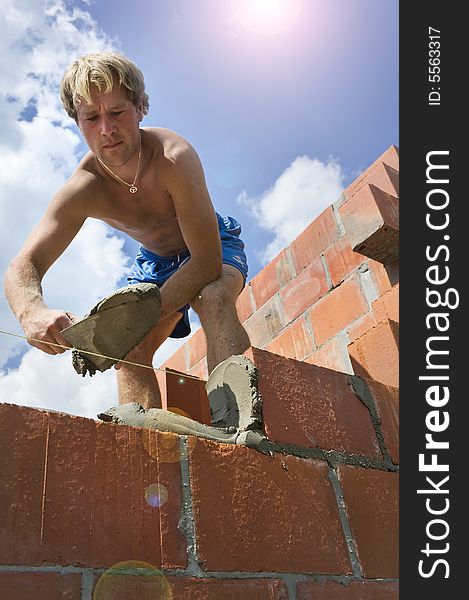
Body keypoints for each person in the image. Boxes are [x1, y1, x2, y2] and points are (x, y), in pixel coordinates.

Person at [3, 52, 251, 409]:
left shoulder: (173, 157)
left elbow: (207, 263)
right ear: (78, 122)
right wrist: (31, 312)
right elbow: (23, 263)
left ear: (140, 108)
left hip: (211, 246)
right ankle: (144, 442)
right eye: (91, 117)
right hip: (155, 262)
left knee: (212, 297)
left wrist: (128, 322)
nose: (107, 129)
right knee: (130, 347)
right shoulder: (84, 189)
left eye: (117, 112)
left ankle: (240, 421)